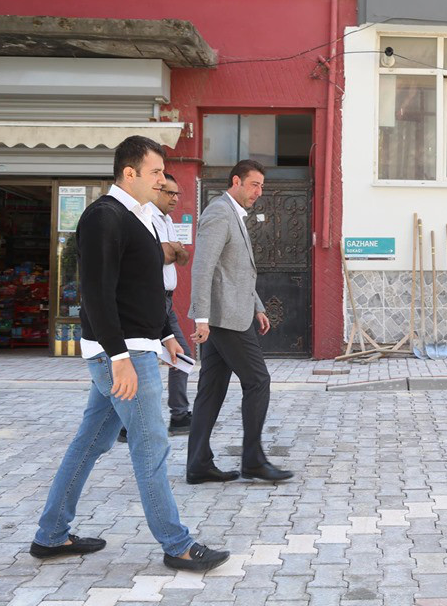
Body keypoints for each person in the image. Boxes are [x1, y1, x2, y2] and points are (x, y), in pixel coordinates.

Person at [30, 136, 229, 572]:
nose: (161, 180)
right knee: (151, 446)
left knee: (91, 442)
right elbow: (97, 292)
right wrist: (118, 357)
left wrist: (165, 334)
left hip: (136, 347)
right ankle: (177, 544)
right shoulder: (104, 216)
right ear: (129, 173)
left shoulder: (140, 217)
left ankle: (50, 534)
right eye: (155, 172)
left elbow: (142, 287)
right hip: (121, 356)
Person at [186, 159, 293, 484]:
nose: (259, 192)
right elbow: (203, 268)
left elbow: (235, 271)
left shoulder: (234, 214)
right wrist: (201, 318)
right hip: (225, 318)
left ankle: (198, 464)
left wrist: (258, 306)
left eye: (261, 186)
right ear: (236, 181)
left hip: (232, 313)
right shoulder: (219, 213)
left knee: (211, 390)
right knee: (258, 381)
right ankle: (253, 461)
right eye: (254, 185)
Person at [118, 173, 192, 443]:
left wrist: (173, 250)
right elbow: (162, 255)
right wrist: (172, 250)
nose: (174, 198)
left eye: (177, 194)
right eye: (169, 193)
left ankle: (177, 414)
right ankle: (131, 423)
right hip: (151, 298)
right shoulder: (146, 216)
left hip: (166, 300)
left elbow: (181, 256)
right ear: (157, 191)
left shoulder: (168, 221)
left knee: (179, 355)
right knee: (143, 358)